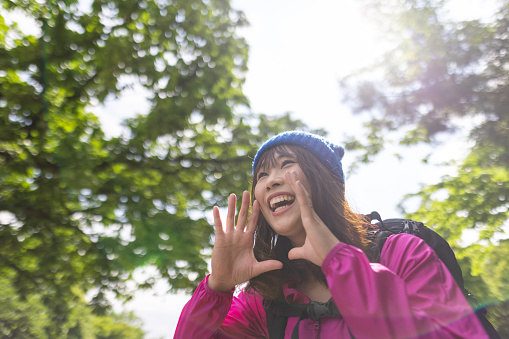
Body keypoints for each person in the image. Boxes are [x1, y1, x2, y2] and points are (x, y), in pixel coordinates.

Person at [174, 131, 488, 338]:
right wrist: (217, 287)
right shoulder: (266, 298)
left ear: (326, 181)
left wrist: (342, 265)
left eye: (287, 165)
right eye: (262, 175)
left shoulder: (402, 253)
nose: (271, 181)